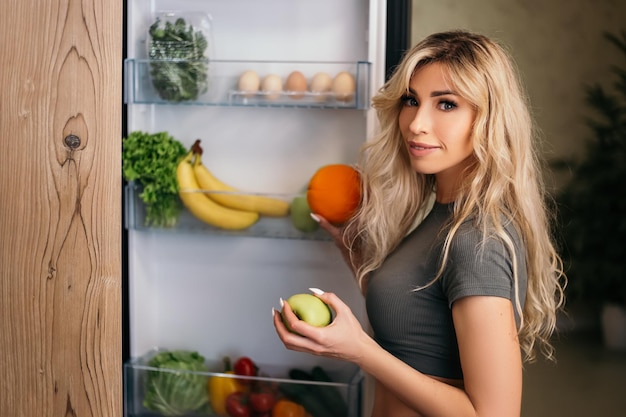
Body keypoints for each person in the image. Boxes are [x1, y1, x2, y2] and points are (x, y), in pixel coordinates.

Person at [272, 30, 566, 417]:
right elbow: (420, 326)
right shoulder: (444, 214)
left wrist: (359, 350)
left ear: (489, 120)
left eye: (446, 104)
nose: (416, 123)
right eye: (412, 100)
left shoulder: (477, 240)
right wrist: (356, 256)